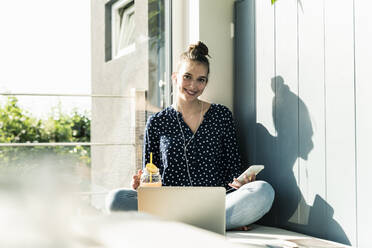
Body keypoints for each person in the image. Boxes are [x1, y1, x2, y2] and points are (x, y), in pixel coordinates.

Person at [105, 41, 274, 231]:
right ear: (175, 78)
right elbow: (150, 172)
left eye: (201, 79)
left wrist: (242, 183)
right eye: (187, 77)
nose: (193, 85)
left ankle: (190, 224)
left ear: (206, 82)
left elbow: (233, 167)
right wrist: (141, 185)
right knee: (116, 199)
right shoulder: (157, 123)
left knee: (263, 191)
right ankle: (214, 223)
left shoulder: (221, 115)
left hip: (217, 204)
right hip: (169, 206)